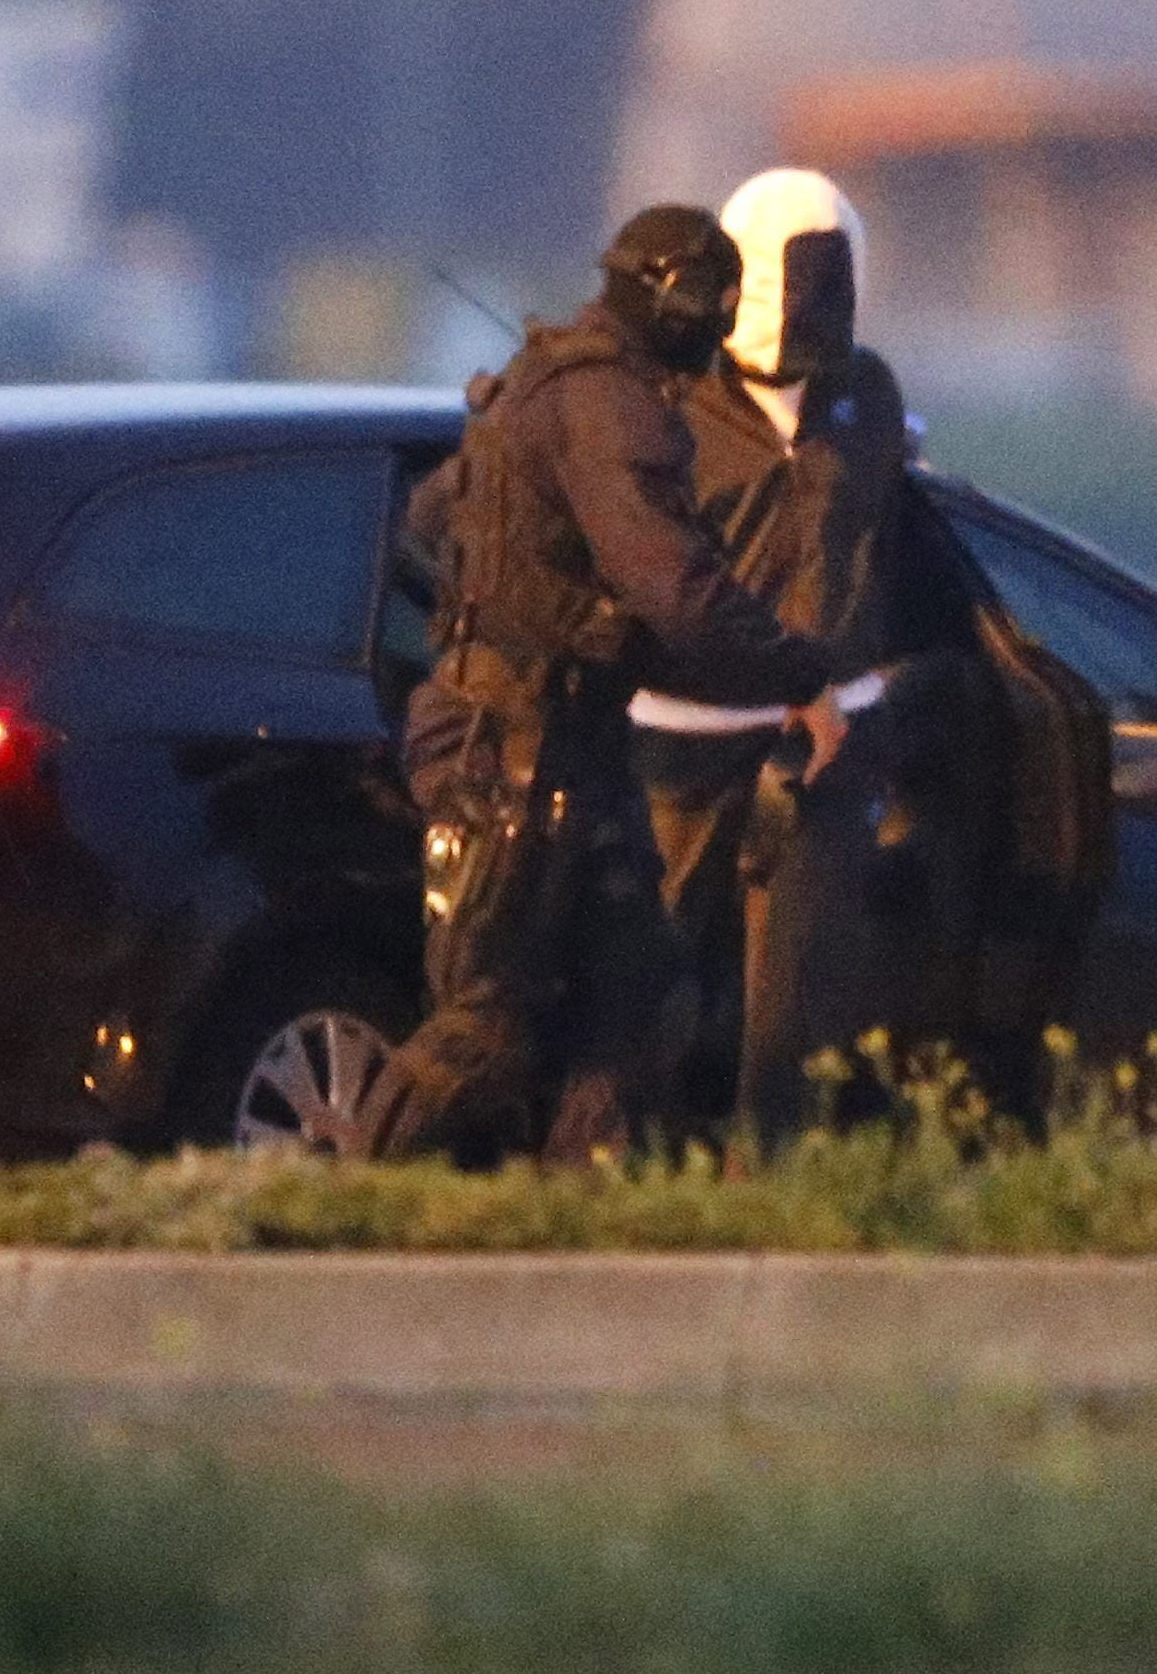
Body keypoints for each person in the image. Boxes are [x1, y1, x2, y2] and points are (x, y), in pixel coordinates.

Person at [361, 205, 844, 1166]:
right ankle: (339, 1215)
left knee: (639, 987)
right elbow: (683, 595)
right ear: (668, 298)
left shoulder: (547, 381)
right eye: (715, 298)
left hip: (558, 739)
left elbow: (428, 519)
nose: (724, 322)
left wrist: (529, 603)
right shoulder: (614, 410)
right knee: (489, 1017)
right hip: (515, 752)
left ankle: (586, 1221)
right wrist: (804, 677)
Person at [627, 170, 976, 1129]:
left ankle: (776, 1193)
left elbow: (890, 537)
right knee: (655, 980)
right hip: (680, 735)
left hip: (832, 739)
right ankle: (641, 1181)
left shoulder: (868, 392)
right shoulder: (672, 396)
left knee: (801, 1003)